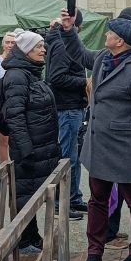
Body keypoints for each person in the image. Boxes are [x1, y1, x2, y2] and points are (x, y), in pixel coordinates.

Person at [59, 12, 131, 261]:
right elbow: (80, 55)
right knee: (97, 201)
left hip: (126, 147)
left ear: (120, 42)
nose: (106, 35)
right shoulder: (105, 58)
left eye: (110, 33)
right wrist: (69, 31)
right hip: (99, 145)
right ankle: (95, 251)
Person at [0, 30, 61, 253]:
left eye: (43, 46)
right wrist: (26, 149)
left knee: (31, 194)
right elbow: (15, 115)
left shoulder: (30, 73)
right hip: (30, 150)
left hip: (40, 146)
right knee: (25, 194)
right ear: (25, 51)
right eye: (38, 47)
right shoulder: (17, 76)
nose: (43, 50)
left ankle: (32, 236)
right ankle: (24, 241)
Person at [44, 15, 89, 216]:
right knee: (67, 156)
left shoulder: (58, 42)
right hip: (67, 107)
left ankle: (73, 197)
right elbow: (57, 78)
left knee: (73, 155)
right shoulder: (62, 46)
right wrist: (84, 82)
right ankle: (61, 203)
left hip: (71, 105)